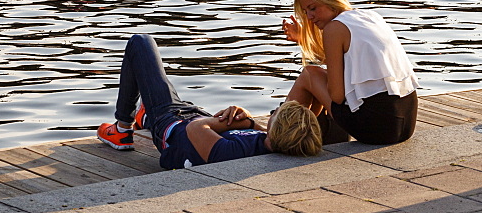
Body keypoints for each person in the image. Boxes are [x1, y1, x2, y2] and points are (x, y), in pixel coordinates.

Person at [97, 33, 322, 169]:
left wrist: (235, 122)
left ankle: (123, 127)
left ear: (277, 129)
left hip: (172, 123)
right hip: (188, 116)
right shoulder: (268, 142)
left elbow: (197, 128)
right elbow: (258, 131)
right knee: (157, 88)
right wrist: (248, 120)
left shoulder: (231, 153)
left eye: (276, 111)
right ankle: (143, 115)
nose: (273, 112)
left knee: (141, 43)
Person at [282, 0, 419, 146]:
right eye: (306, 11)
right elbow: (345, 63)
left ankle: (279, 135)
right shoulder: (369, 16)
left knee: (309, 74)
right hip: (406, 123)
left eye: (313, 8)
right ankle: (309, 134)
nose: (309, 17)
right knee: (316, 77)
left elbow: (337, 96)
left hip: (377, 129)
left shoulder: (334, 28)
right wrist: (304, 39)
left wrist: (320, 87)